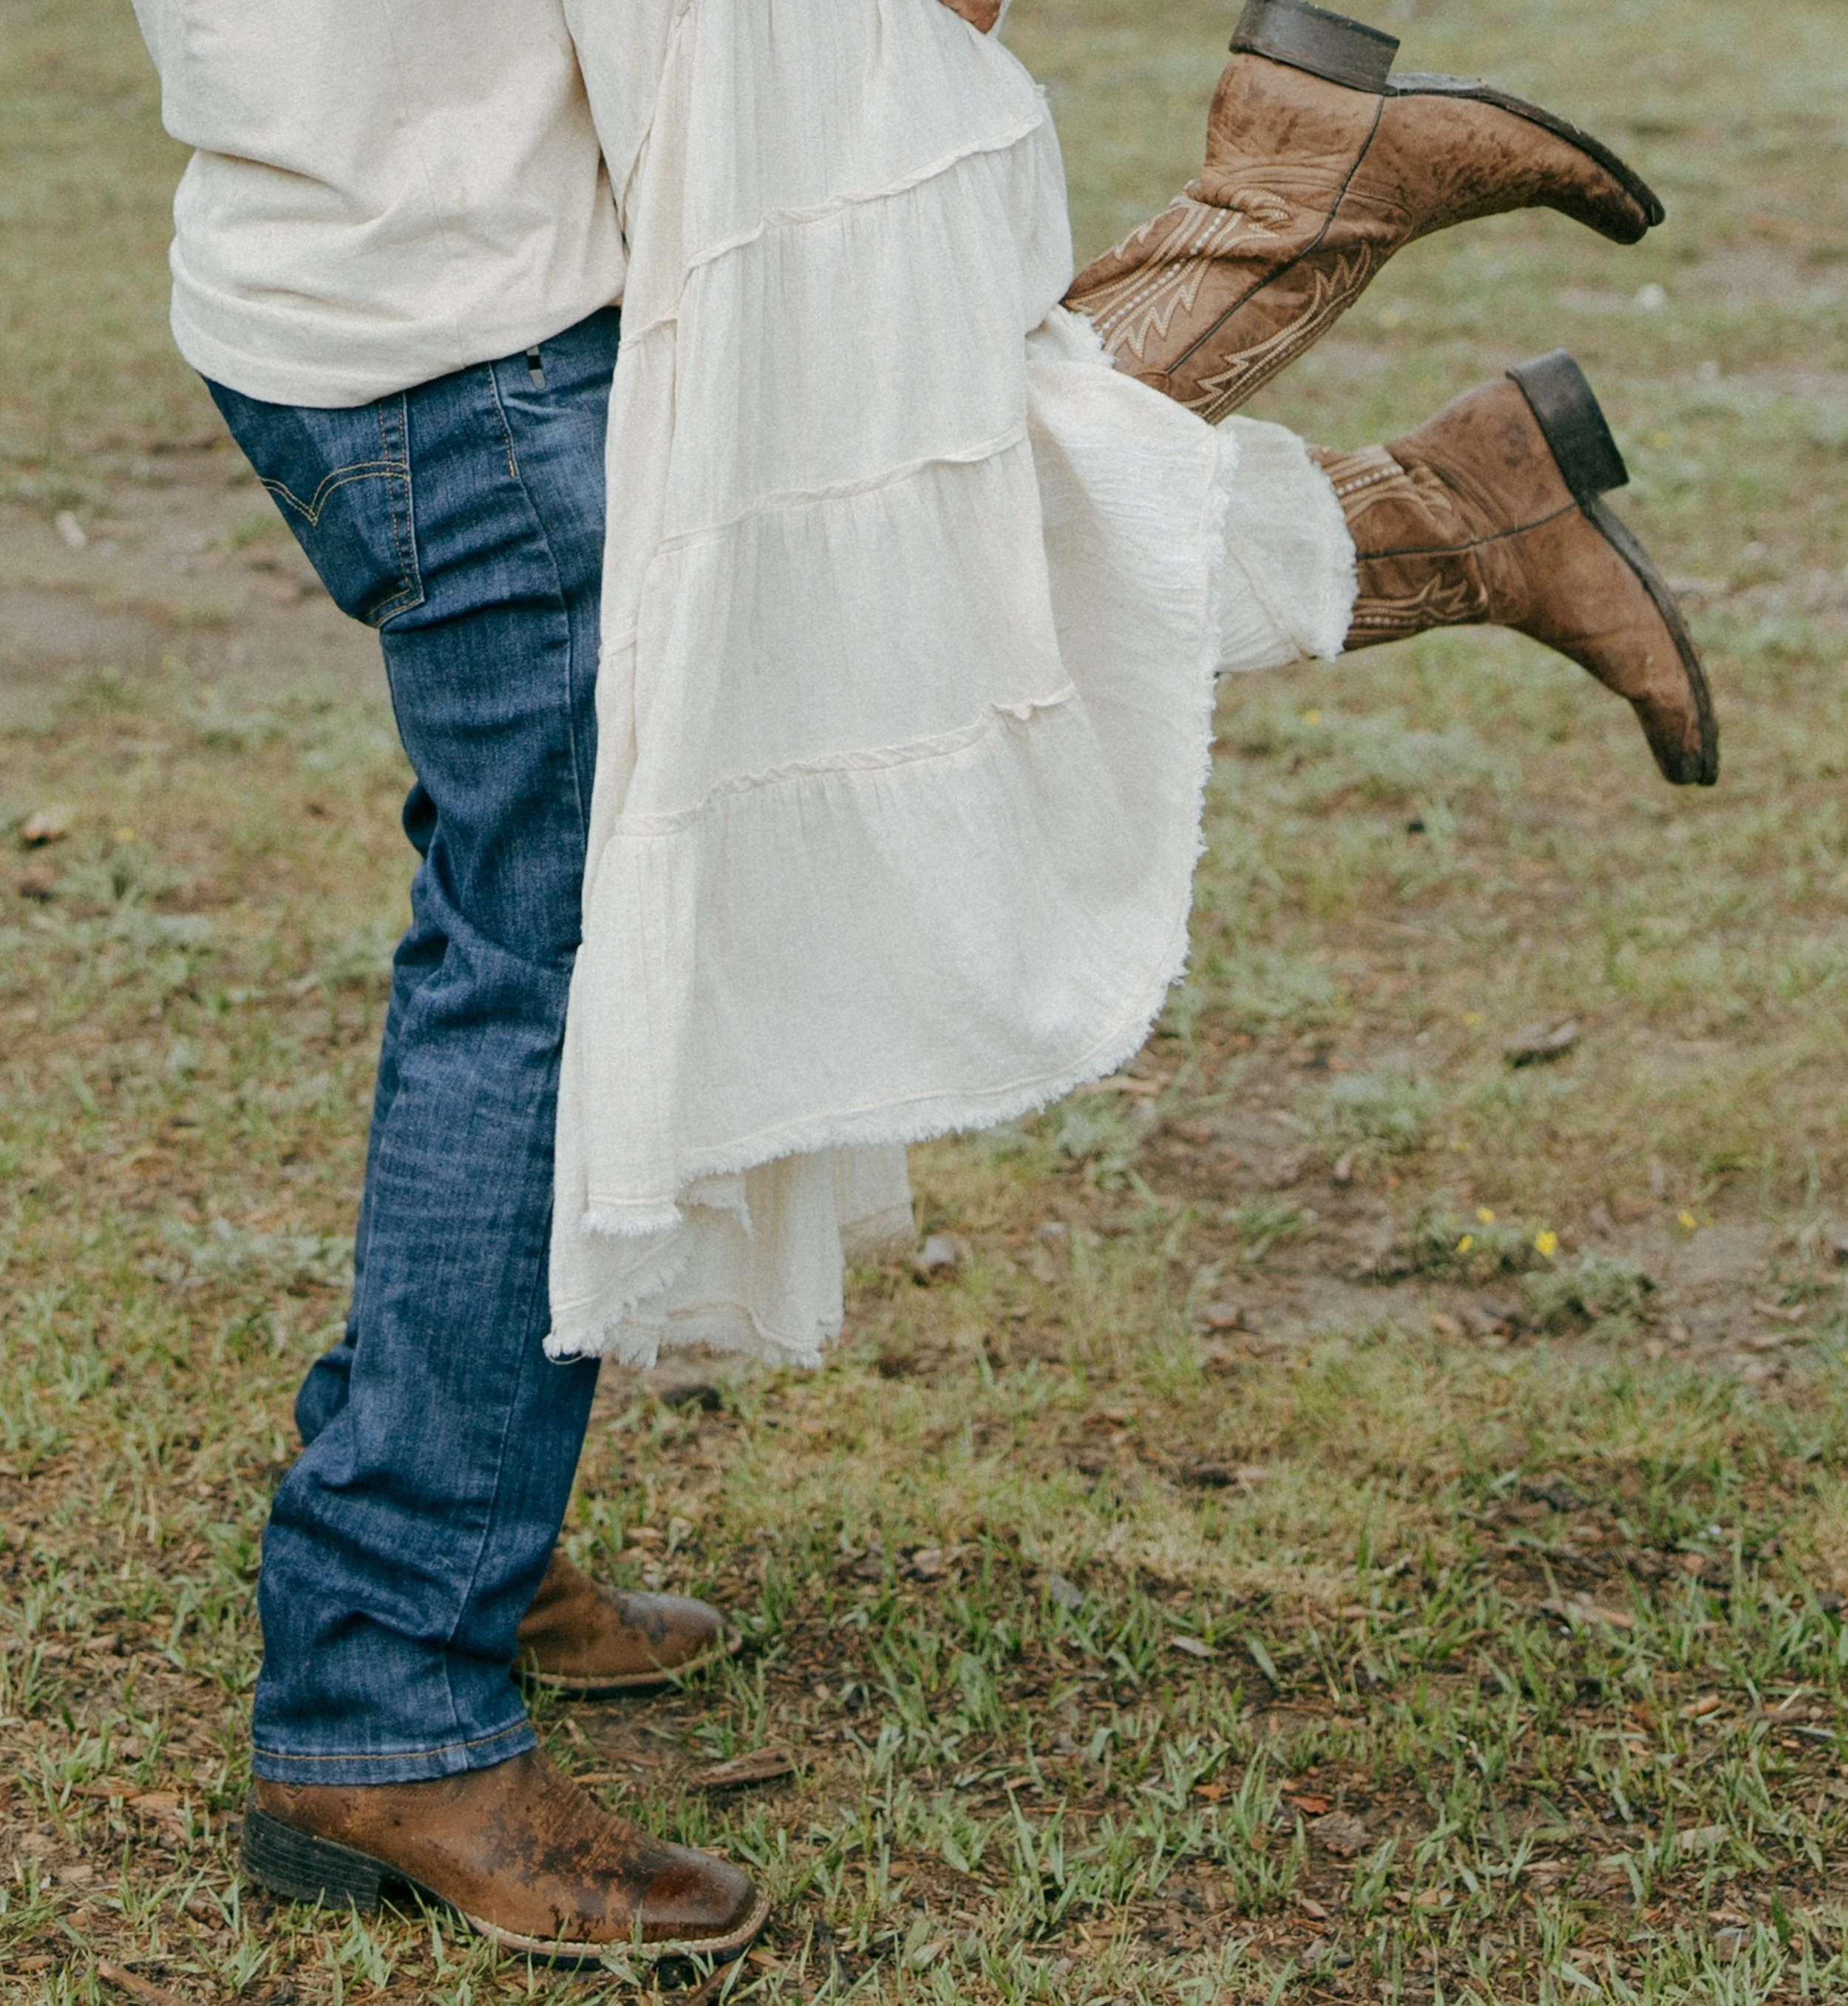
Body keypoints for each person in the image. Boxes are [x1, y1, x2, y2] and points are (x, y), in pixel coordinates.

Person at [126, 0, 1711, 1968]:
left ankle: (462, 1542)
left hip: (357, 271)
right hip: (480, 343)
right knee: (581, 948)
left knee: (570, 891)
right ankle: (377, 1691)